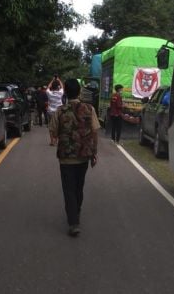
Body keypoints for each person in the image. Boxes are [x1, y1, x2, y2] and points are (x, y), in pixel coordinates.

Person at [49, 79, 99, 237]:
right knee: (79, 187)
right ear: (79, 92)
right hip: (83, 156)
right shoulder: (89, 109)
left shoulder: (60, 111)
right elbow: (95, 131)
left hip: (66, 158)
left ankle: (73, 222)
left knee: (68, 189)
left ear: (66, 93)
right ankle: (75, 213)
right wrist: (94, 152)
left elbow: (54, 133)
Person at [46, 76, 64, 145]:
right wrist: (59, 80)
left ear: (52, 87)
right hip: (59, 112)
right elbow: (62, 87)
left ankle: (52, 141)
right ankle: (56, 140)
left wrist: (52, 80)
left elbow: (48, 87)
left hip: (50, 112)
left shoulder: (49, 93)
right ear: (58, 87)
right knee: (58, 126)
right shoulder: (60, 93)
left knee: (51, 126)